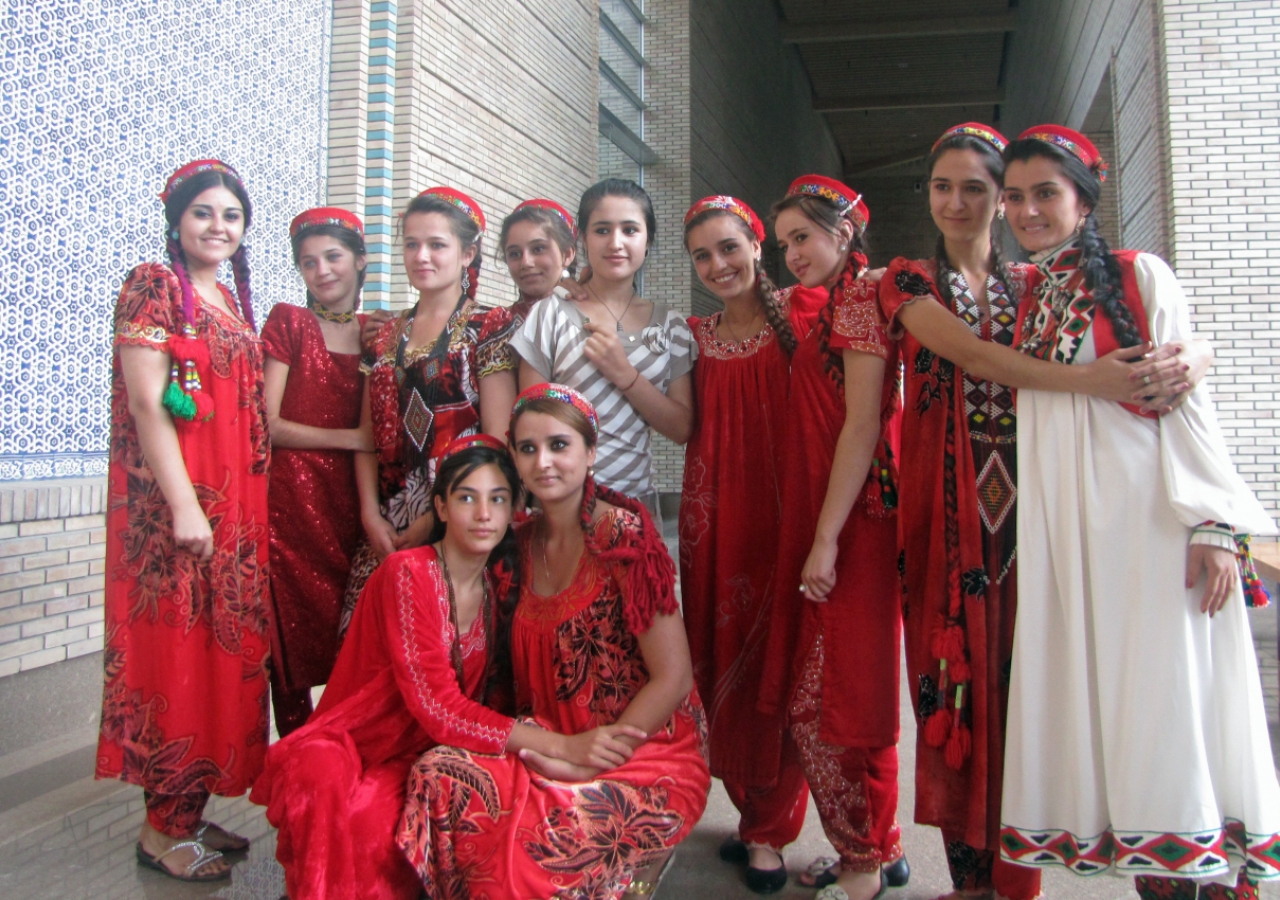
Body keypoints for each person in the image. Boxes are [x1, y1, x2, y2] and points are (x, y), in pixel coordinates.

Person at [878, 123, 1211, 900]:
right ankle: (970, 880)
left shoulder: (1045, 287)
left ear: (1003, 202)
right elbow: (975, 357)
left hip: (1047, 523)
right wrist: (1092, 384)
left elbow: (1157, 334)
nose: (958, 202)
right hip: (945, 517)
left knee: (1037, 693)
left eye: (978, 188)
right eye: (941, 186)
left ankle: (1032, 871)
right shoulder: (903, 280)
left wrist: (1198, 351)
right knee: (952, 688)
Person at [993, 125, 1280, 900]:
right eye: (1014, 196)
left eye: (1045, 193)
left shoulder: (1137, 273)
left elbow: (1193, 406)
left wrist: (1217, 526)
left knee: (1163, 700)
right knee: (1106, 707)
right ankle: (1150, 872)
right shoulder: (1025, 293)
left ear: (1084, 198)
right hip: (1070, 536)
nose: (1027, 210)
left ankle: (1194, 874)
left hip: (1151, 528)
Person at [398, 383, 711, 900]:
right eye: (527, 448)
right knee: (437, 776)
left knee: (530, 858)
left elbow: (674, 677)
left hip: (640, 751)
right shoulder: (515, 543)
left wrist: (590, 759)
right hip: (547, 742)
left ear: (590, 452)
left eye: (559, 445)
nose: (543, 462)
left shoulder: (621, 535)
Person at [253, 436, 523, 900]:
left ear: (513, 510)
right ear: (439, 507)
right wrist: (553, 743)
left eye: (497, 499)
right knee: (320, 779)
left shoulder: (500, 592)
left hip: (419, 755)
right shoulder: (407, 572)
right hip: (352, 744)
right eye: (466, 498)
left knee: (373, 825)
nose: (484, 514)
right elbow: (439, 707)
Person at [98, 159, 268, 882]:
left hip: (237, 517)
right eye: (204, 213)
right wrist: (184, 506)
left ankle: (188, 811)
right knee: (175, 653)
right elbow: (147, 405)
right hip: (181, 513)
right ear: (177, 221)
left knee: (219, 656)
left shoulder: (227, 297)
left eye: (231, 216)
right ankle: (159, 830)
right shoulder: (154, 285)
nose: (218, 227)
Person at [755, 176, 904, 900]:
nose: (791, 255)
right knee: (844, 690)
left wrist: (825, 539)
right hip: (825, 516)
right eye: (782, 244)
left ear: (844, 232)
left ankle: (862, 865)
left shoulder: (868, 296)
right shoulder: (818, 306)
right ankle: (878, 847)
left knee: (831, 701)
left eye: (802, 237)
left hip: (853, 522)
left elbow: (864, 423)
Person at [679, 195, 824, 893]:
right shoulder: (693, 337)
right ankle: (747, 817)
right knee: (722, 666)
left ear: (757, 246)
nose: (717, 265)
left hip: (786, 525)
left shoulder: (804, 316)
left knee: (781, 670)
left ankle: (772, 829)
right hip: (713, 530)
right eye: (702, 255)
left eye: (729, 248)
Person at [342, 187, 518, 626]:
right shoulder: (384, 333)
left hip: (458, 517)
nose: (422, 256)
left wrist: (430, 519)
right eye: (412, 244)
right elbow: (367, 436)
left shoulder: (488, 326)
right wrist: (369, 516)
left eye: (437, 244)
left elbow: (496, 438)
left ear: (467, 253)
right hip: (385, 524)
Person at [510, 178, 695, 524]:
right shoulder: (550, 314)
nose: (616, 243)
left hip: (636, 508)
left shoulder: (673, 328)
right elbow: (528, 419)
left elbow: (681, 427)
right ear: (582, 239)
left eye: (630, 230)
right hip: (562, 509)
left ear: (648, 239)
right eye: (601, 230)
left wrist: (626, 375)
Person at [262, 206, 372, 737]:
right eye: (309, 262)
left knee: (353, 640)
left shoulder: (379, 332)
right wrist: (351, 440)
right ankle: (295, 764)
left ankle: (340, 757)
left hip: (356, 505)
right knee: (291, 646)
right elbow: (270, 424)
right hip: (292, 508)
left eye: (333, 256)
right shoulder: (290, 321)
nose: (323, 270)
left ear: (360, 259)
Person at [498, 197, 578, 327]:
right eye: (515, 254)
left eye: (538, 249)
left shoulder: (592, 316)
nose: (526, 262)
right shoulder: (495, 325)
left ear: (567, 255)